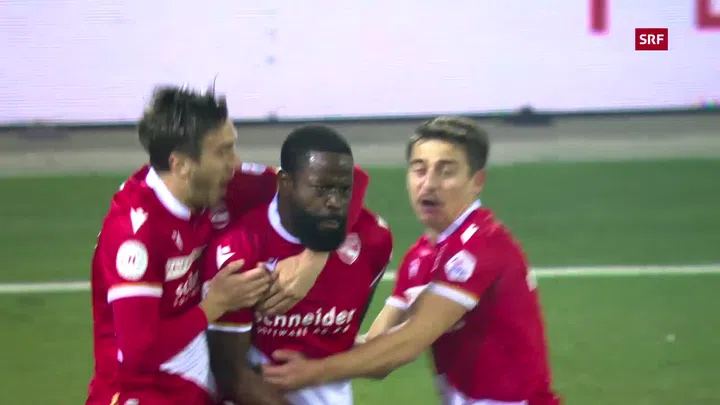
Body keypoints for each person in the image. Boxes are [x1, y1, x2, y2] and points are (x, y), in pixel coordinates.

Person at [85, 86, 370, 405]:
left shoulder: (222, 186)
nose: (235, 163)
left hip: (194, 379)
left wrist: (312, 258)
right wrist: (214, 305)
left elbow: (351, 179)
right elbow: (139, 355)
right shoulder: (135, 233)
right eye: (223, 152)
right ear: (181, 165)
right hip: (139, 391)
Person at [263, 117, 562, 405]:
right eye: (419, 170)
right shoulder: (421, 256)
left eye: (446, 171)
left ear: (477, 181)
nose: (428, 184)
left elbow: (410, 341)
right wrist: (299, 340)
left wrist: (312, 372)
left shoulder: (482, 243)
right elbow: (376, 349)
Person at [202, 125, 393, 405]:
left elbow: (342, 339)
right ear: (285, 183)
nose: (334, 202)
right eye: (321, 189)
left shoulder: (373, 241)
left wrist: (316, 255)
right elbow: (231, 372)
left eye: (344, 190)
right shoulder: (240, 250)